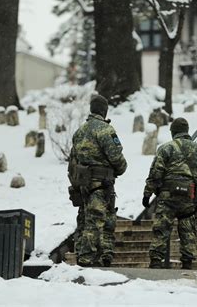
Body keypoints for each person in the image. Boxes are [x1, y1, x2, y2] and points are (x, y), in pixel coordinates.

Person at [68, 92, 127, 267]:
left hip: (84, 183)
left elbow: (73, 159)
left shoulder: (79, 132)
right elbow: (117, 158)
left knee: (86, 219)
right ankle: (88, 258)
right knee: (98, 221)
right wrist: (122, 168)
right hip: (102, 183)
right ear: (104, 111)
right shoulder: (105, 130)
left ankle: (85, 253)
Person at [143, 118, 197, 269]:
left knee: (162, 228)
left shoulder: (166, 148)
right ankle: (187, 262)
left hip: (168, 197)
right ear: (187, 131)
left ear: (173, 132)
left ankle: (156, 261)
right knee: (187, 230)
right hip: (189, 196)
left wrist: (147, 193)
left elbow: (156, 173)